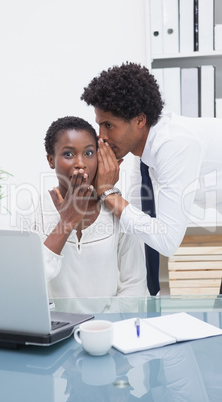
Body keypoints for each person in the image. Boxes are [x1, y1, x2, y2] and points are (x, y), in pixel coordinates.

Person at [81, 62, 222, 294]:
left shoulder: (173, 144)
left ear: (139, 120)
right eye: (99, 125)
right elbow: (135, 216)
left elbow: (167, 241)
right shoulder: (143, 151)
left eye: (109, 125)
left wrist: (107, 191)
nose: (102, 138)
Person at [20, 116, 147, 298]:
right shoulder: (32, 208)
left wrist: (110, 323)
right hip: (53, 325)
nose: (81, 163)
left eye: (88, 153)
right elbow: (26, 282)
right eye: (68, 154)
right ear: (51, 160)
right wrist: (66, 222)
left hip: (106, 324)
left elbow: (134, 283)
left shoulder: (116, 209)